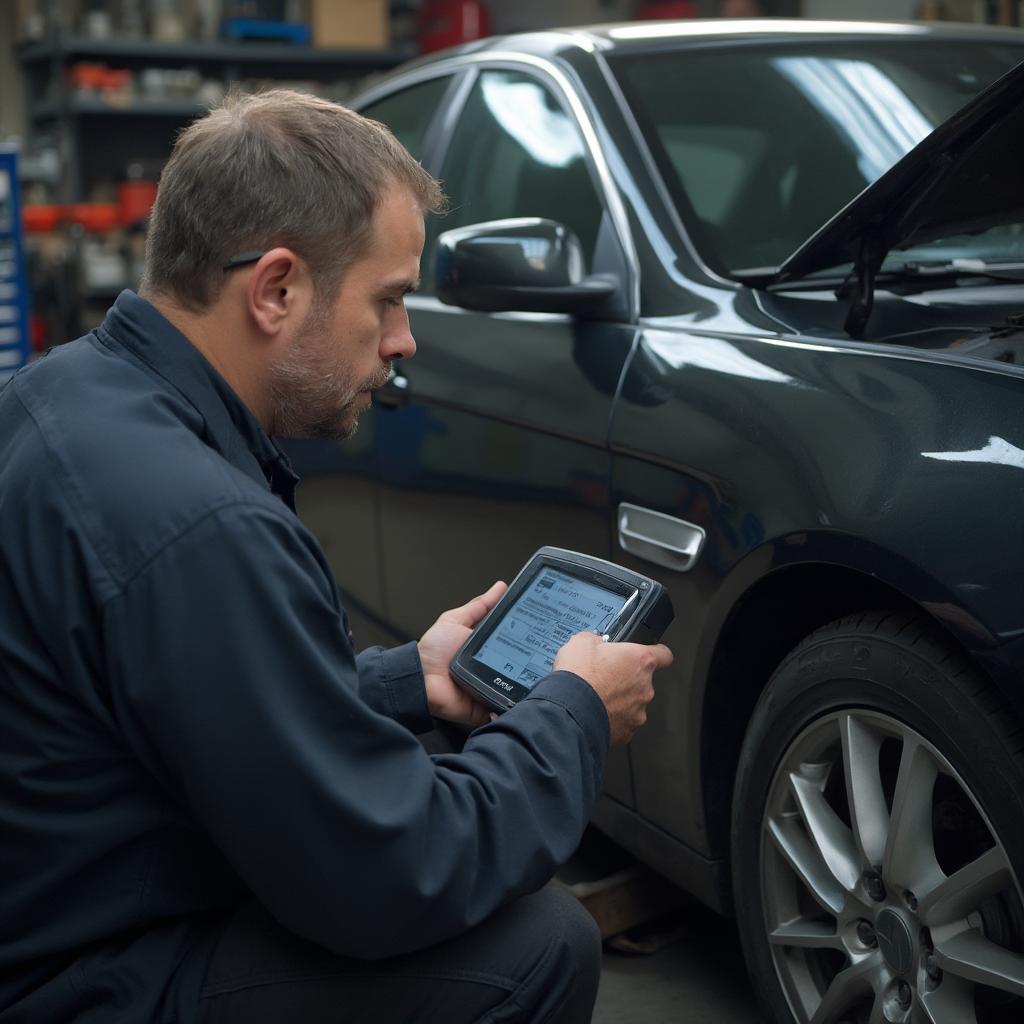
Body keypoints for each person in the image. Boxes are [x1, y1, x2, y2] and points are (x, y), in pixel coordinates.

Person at [0, 90, 672, 1024]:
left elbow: (195, 703)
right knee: (534, 947)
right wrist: (574, 716)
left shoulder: (60, 391)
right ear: (276, 289)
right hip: (77, 981)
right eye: (388, 298)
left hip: (55, 907)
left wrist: (409, 681)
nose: (404, 342)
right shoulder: (203, 524)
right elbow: (392, 878)